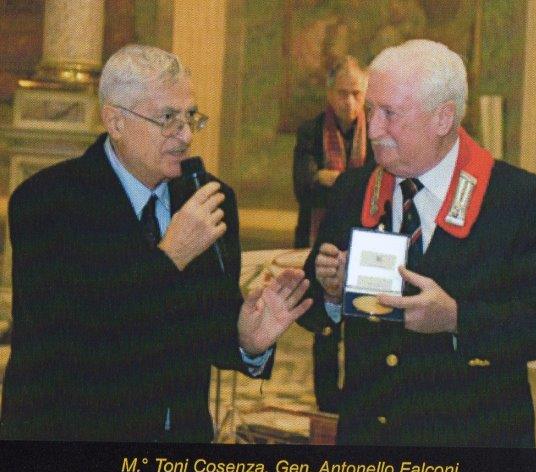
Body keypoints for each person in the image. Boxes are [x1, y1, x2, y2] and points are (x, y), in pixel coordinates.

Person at [0, 44, 312, 442]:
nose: (184, 135)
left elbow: (204, 324)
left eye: (190, 117)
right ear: (115, 121)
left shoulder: (209, 200)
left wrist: (247, 339)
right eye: (167, 118)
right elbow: (71, 338)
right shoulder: (47, 202)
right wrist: (170, 256)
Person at [299, 39, 536, 446]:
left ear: (442, 118)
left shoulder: (515, 200)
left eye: (390, 114)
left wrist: (457, 318)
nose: (373, 129)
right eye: (371, 110)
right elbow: (315, 312)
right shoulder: (353, 190)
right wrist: (328, 292)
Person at [292, 56, 375, 413]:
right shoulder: (311, 130)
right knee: (325, 330)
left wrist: (330, 177)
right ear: (329, 93)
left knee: (362, 322)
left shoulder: (376, 130)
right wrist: (350, 184)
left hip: (364, 240)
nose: (350, 103)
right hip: (319, 238)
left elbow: (377, 188)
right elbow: (304, 187)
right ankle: (327, 407)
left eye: (357, 93)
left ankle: (357, 402)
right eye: (343, 93)